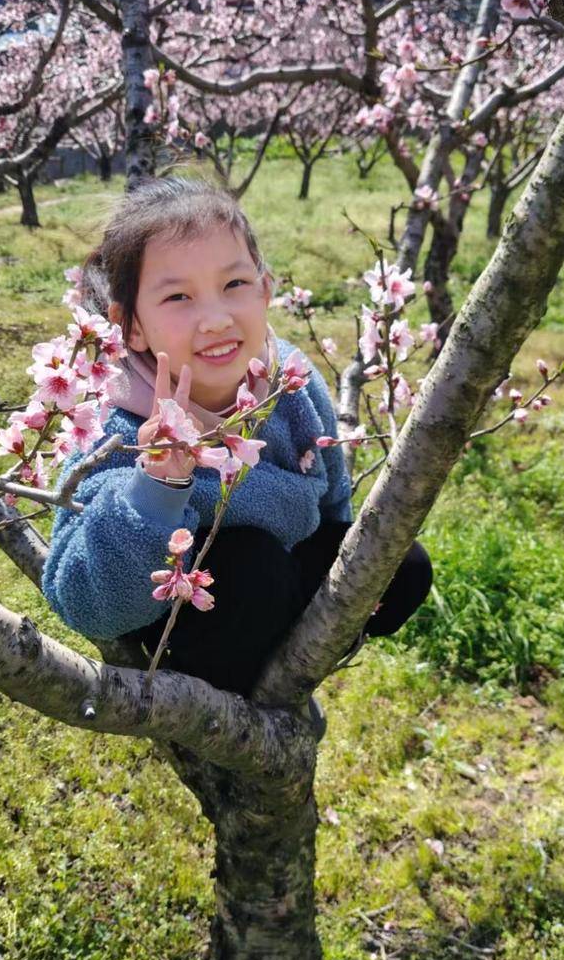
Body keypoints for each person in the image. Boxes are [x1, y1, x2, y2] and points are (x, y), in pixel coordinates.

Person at [42, 175, 432, 704]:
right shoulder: (115, 424)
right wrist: (158, 483)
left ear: (265, 290)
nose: (216, 319)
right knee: (252, 568)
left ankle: (293, 660)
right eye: (178, 296)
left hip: (280, 575)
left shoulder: (289, 382)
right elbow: (89, 606)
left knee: (398, 565)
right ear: (130, 327)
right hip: (179, 612)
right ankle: (236, 697)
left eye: (234, 286)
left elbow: (332, 496)